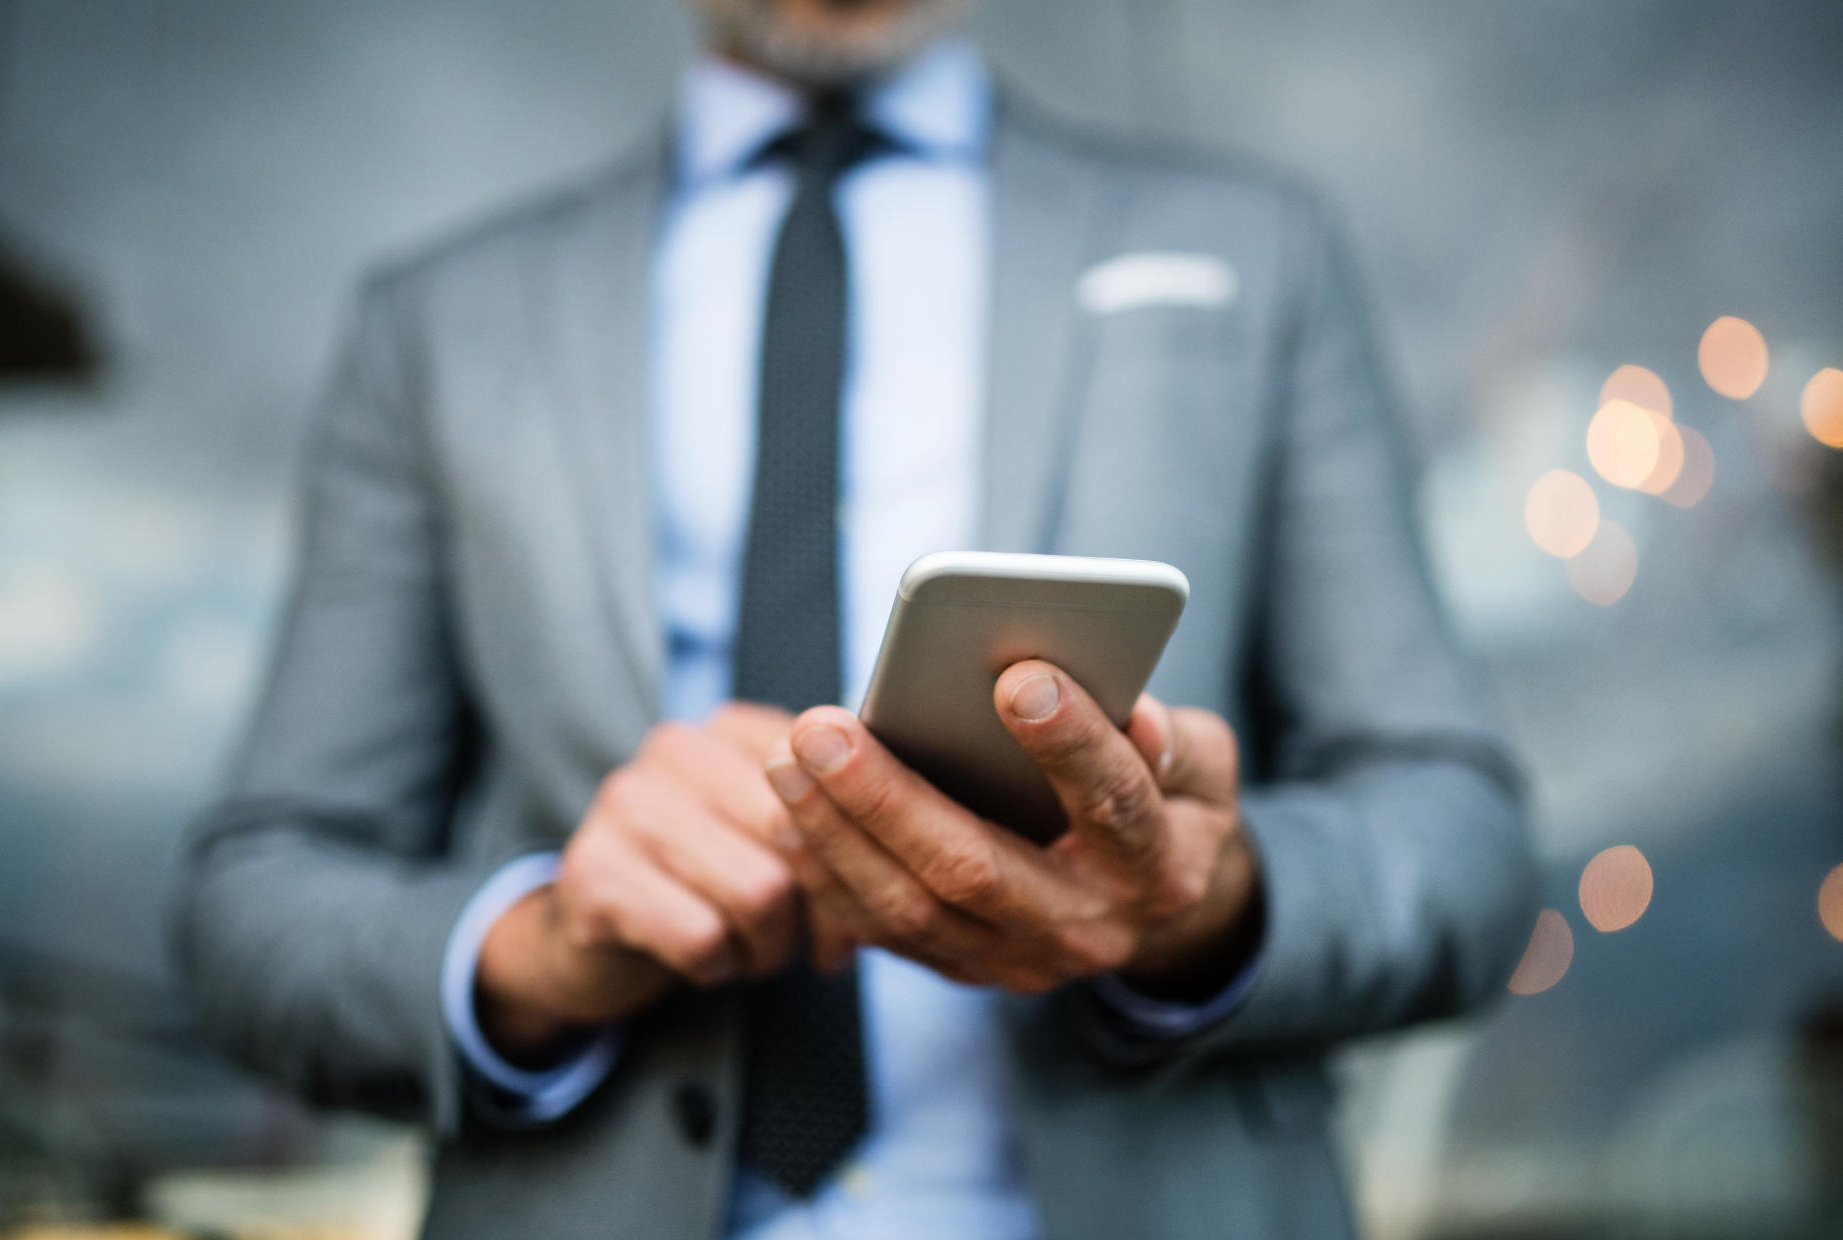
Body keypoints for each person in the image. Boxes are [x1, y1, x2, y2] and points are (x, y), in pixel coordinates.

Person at [173, 1, 1537, 1236]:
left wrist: (1212, 908)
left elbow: (1465, 849)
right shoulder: (440, 321)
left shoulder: (1258, 251)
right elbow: (254, 908)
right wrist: (538, 945)